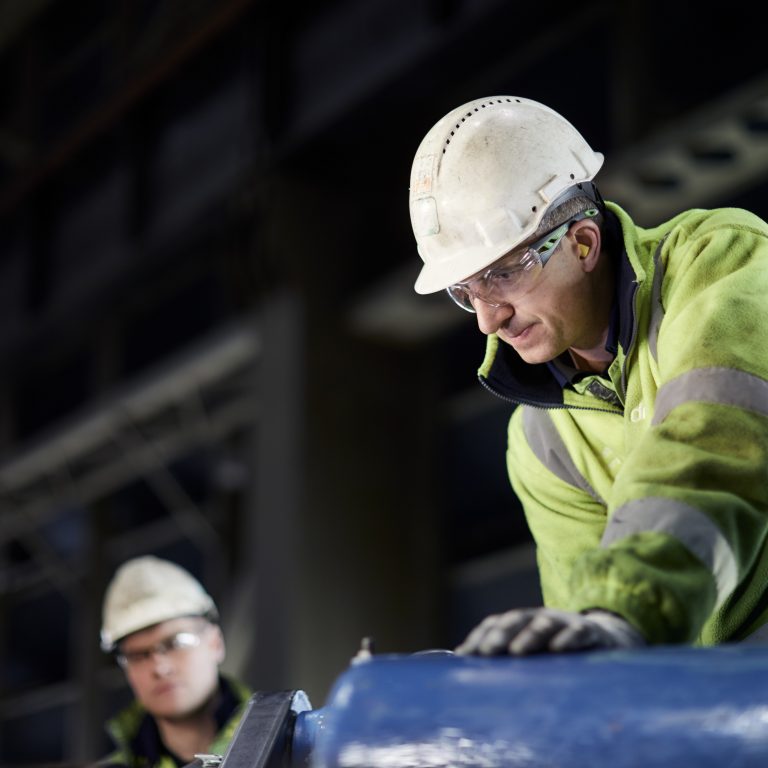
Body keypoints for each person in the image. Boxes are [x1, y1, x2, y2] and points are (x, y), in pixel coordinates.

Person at [408, 95, 768, 656]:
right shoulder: (539, 439)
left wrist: (622, 611)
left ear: (582, 242)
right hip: (703, 719)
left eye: (502, 274)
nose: (487, 318)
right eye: (467, 292)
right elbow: (585, 624)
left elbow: (714, 443)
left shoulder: (717, 263)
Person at [98, 555, 252, 767]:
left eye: (177, 642)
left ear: (215, 643)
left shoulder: (295, 746)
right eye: (138, 655)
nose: (160, 668)